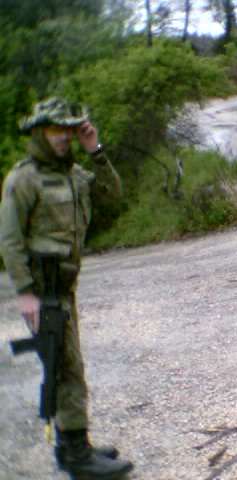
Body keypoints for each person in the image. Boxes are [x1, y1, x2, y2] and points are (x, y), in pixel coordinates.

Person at [0, 97, 134, 478]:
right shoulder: (23, 178)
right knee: (65, 368)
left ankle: (75, 442)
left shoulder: (73, 174)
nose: (63, 137)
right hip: (43, 292)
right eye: (57, 129)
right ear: (40, 131)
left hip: (65, 288)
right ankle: (75, 455)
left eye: (69, 129)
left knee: (68, 364)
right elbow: (10, 240)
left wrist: (96, 151)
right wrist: (25, 293)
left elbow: (112, 196)